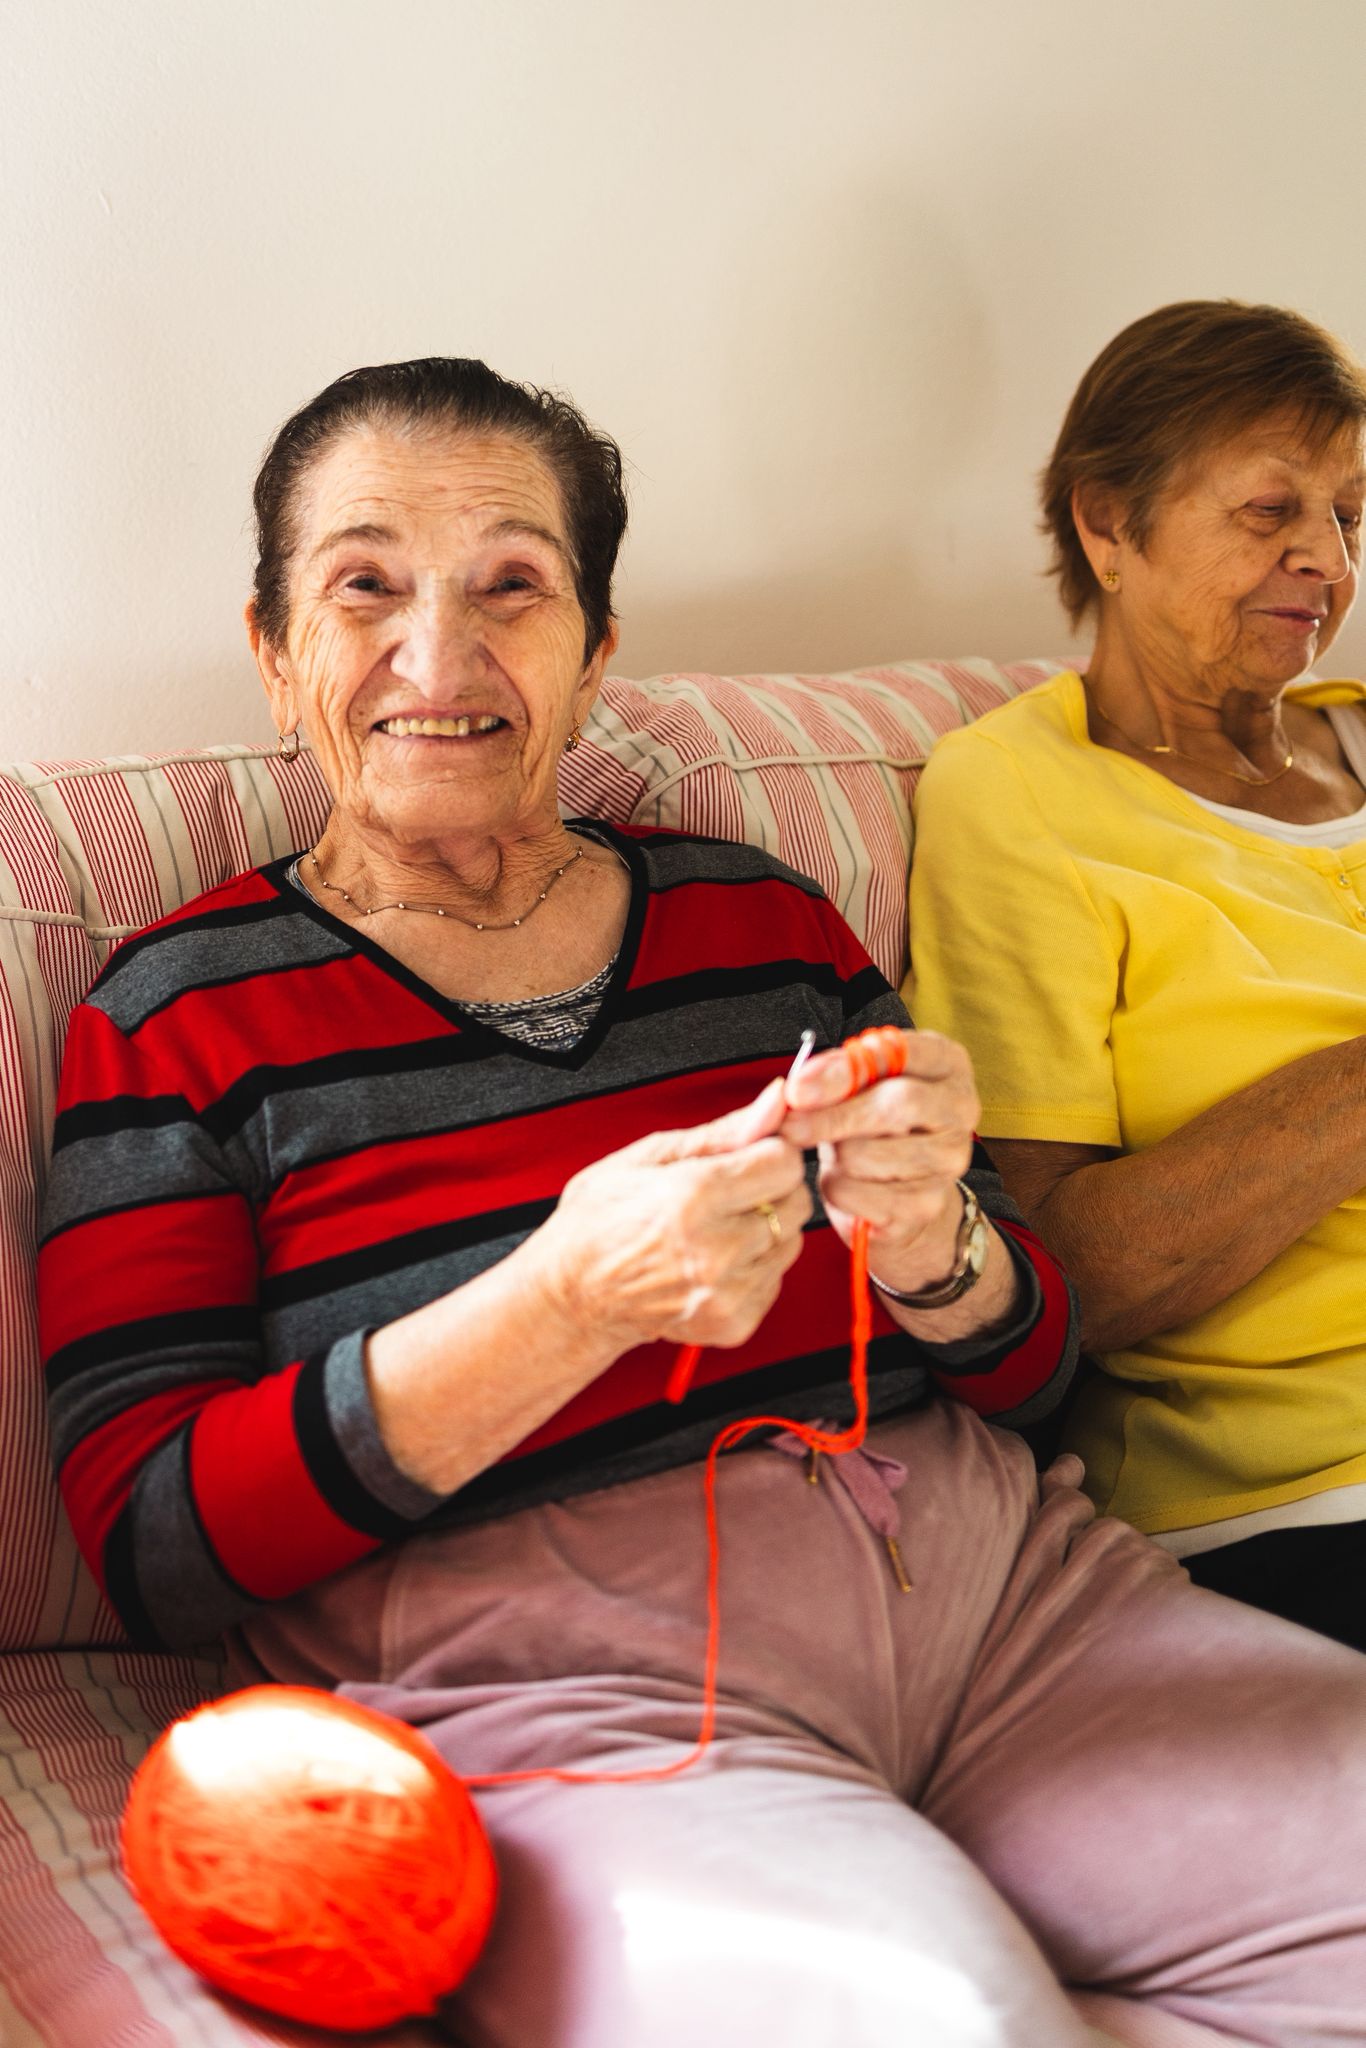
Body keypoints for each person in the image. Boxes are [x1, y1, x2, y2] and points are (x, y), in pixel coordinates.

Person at [39, 357, 1366, 2048]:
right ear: (274, 648)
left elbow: (1034, 1370)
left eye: (512, 587)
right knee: (939, 2024)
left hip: (1014, 1617)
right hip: (579, 1705)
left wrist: (947, 1252)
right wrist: (560, 1305)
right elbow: (154, 1547)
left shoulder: (759, 919)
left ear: (594, 653)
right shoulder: (175, 1013)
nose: (436, 658)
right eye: (365, 586)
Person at [909, 298, 1366, 1653]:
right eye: (1269, 510)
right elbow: (1058, 1277)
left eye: (1350, 514)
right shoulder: (1019, 794)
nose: (1326, 557)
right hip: (1301, 1488)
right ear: (1107, 524)